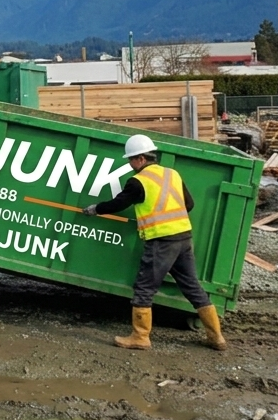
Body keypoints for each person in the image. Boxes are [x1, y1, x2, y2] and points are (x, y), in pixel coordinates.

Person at [83, 134, 227, 351]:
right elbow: (189, 204)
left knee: (144, 287)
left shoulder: (138, 181)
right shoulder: (172, 174)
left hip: (161, 240)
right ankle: (216, 338)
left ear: (141, 158)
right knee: (192, 286)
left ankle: (140, 337)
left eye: (131, 160)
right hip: (183, 237)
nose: (130, 164)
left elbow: (118, 204)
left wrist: (95, 209)